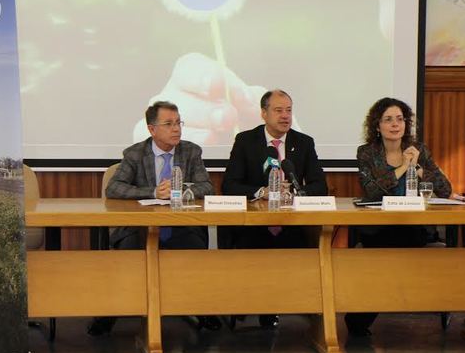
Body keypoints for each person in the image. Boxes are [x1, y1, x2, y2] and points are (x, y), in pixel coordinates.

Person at [87, 101, 220, 336]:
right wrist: (153, 192)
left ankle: (201, 308)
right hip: (139, 228)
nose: (176, 129)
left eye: (178, 122)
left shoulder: (191, 152)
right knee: (127, 253)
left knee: (195, 249)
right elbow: (114, 188)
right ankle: (110, 312)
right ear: (151, 129)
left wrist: (180, 188)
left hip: (181, 227)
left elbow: (207, 188)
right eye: (168, 124)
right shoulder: (135, 153)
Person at [345, 97, 452, 336]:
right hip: (379, 227)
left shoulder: (419, 150)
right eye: (388, 120)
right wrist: (404, 167)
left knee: (401, 241)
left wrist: (421, 171)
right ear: (377, 126)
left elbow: (445, 189)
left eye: (400, 119)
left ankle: (361, 317)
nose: (396, 125)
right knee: (384, 247)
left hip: (413, 226)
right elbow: (372, 190)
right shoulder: (367, 153)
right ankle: (361, 317)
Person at [221, 89, 328, 327]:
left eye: (289, 110)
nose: (285, 116)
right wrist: (262, 192)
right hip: (255, 225)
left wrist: (295, 193)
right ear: (263, 113)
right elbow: (230, 185)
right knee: (254, 245)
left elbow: (320, 185)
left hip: (292, 224)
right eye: (278, 110)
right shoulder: (246, 141)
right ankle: (256, 303)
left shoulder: (303, 142)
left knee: (304, 245)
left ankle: (293, 304)